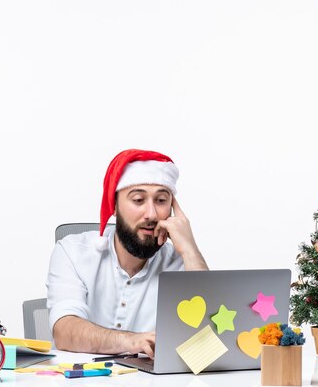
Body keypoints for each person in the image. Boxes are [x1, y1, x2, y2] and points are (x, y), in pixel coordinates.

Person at [46, 149, 208, 358]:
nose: (151, 214)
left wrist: (190, 248)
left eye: (161, 200)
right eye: (138, 200)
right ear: (114, 205)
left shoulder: (180, 261)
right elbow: (65, 332)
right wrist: (132, 341)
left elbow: (206, 343)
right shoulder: (72, 251)